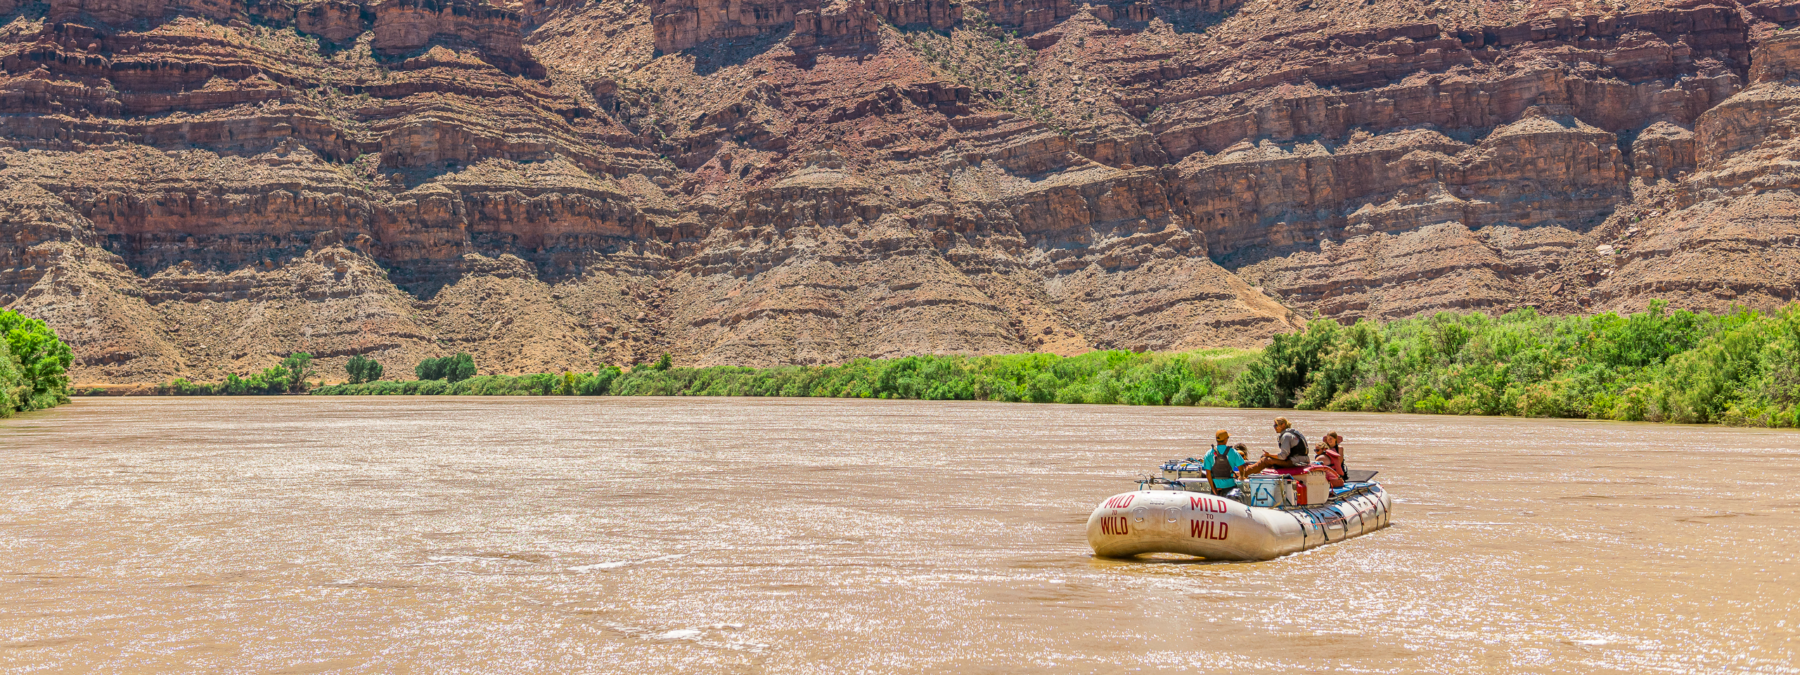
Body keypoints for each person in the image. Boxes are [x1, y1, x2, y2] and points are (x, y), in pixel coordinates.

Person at [1239, 417, 1308, 478]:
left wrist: (1269, 455)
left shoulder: (1286, 436)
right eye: (1274, 425)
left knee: (1265, 460)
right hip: (1302, 460)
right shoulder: (1293, 433)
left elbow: (1283, 456)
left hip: (1295, 462)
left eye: (1276, 425)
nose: (1274, 427)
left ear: (1283, 425)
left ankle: (1243, 474)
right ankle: (1252, 472)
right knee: (1264, 458)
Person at [1205, 430, 1247, 496]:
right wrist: (1242, 476)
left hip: (1216, 487)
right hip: (1230, 486)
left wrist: (1213, 488)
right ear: (1225, 440)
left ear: (1216, 439)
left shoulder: (1208, 454)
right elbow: (1241, 468)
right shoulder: (1233, 452)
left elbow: (1208, 474)